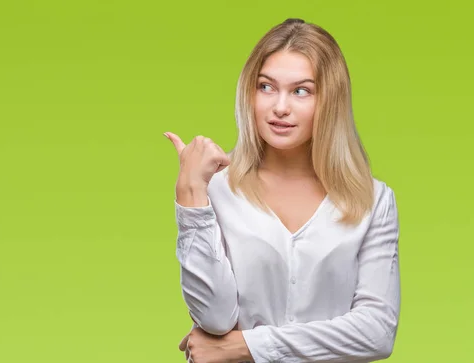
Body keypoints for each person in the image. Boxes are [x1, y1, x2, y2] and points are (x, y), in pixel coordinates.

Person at [163, 18, 401, 363]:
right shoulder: (215, 191)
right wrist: (190, 193)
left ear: (329, 101)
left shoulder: (373, 201)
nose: (280, 107)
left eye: (301, 91)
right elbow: (214, 318)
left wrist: (246, 347)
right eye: (266, 87)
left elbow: (377, 332)